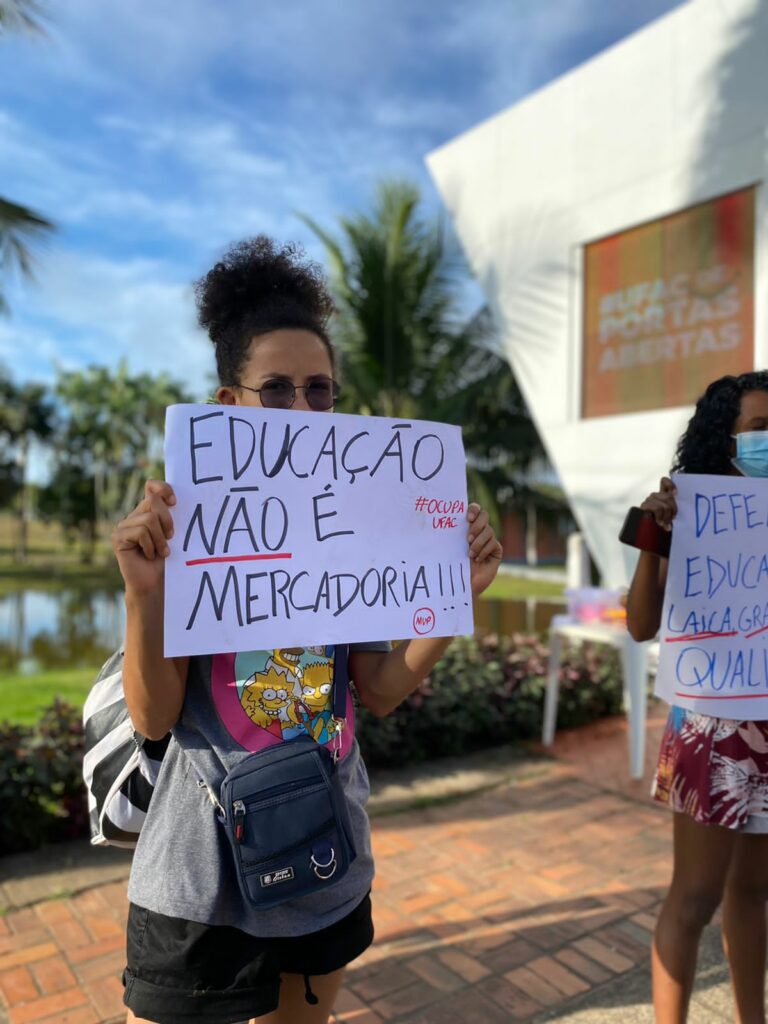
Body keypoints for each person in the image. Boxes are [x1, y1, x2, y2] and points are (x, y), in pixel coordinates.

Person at [112, 236, 503, 1024]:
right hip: (197, 878)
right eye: (277, 388)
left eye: (319, 389)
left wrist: (453, 600)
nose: (301, 408)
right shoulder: (186, 531)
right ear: (228, 404)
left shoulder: (352, 528)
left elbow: (381, 692)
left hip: (321, 856)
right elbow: (155, 718)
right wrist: (143, 597)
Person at [626, 371, 768, 1024]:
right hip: (713, 728)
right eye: (761, 430)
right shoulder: (680, 513)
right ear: (724, 439)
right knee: (695, 897)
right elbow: (640, 624)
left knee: (756, 891)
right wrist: (655, 542)